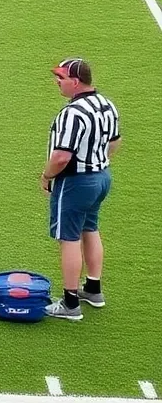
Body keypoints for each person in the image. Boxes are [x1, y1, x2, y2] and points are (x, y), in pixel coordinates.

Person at [41, 59, 120, 320]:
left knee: (69, 238)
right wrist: (97, 161)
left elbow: (62, 156)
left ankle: (70, 302)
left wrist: (47, 174)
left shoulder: (73, 113)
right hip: (101, 178)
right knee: (90, 228)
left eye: (61, 78)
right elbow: (114, 142)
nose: (57, 82)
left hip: (76, 182)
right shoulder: (106, 104)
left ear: (75, 82)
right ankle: (93, 289)